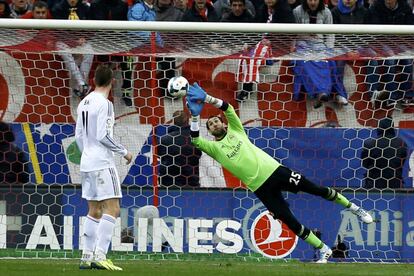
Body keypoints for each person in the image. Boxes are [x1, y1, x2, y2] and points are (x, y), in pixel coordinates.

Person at [185, 83, 373, 263]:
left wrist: (208, 98)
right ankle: (324, 249)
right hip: (260, 187)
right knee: (289, 221)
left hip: (276, 171)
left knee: (315, 189)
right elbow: (195, 141)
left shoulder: (236, 130)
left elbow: (228, 108)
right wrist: (194, 117)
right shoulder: (214, 149)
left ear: (224, 124)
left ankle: (354, 208)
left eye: (216, 121)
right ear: (209, 131)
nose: (215, 124)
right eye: (210, 124)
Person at [75, 65, 133, 270]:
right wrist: (124, 151)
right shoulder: (105, 104)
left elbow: (79, 136)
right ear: (113, 82)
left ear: (93, 81)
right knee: (113, 209)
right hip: (102, 162)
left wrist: (87, 155)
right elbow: (103, 135)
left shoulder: (84, 102)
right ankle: (100, 255)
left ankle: (86, 256)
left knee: (94, 210)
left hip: (87, 162)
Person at [52, 0, 92, 98]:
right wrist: (73, 41)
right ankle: (81, 83)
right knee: (65, 53)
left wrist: (84, 37)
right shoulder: (58, 9)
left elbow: (91, 27)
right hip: (63, 41)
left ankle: (79, 85)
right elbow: (58, 31)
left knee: (90, 52)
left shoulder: (85, 8)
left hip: (80, 40)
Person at [158, 110, 202, 187]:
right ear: (188, 120)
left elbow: (159, 156)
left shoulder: (164, 139)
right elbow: (198, 155)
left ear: (173, 121)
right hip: (191, 183)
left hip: (168, 184)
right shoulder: (195, 139)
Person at [361, 117, 408, 189]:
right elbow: (402, 161)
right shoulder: (402, 143)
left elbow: (365, 163)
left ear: (379, 126)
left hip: (373, 185)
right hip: (395, 184)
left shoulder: (369, 143)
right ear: (392, 127)